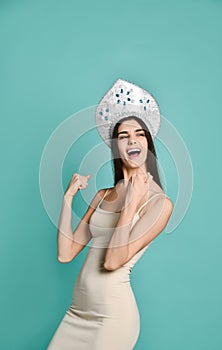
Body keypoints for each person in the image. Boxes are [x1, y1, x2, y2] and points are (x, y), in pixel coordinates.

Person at [47, 78, 174, 349]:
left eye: (139, 134)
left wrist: (131, 202)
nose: (132, 140)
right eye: (123, 136)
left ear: (148, 143)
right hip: (77, 312)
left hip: (112, 318)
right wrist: (68, 199)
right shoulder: (103, 195)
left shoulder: (159, 204)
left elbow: (113, 260)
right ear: (115, 145)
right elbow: (65, 253)